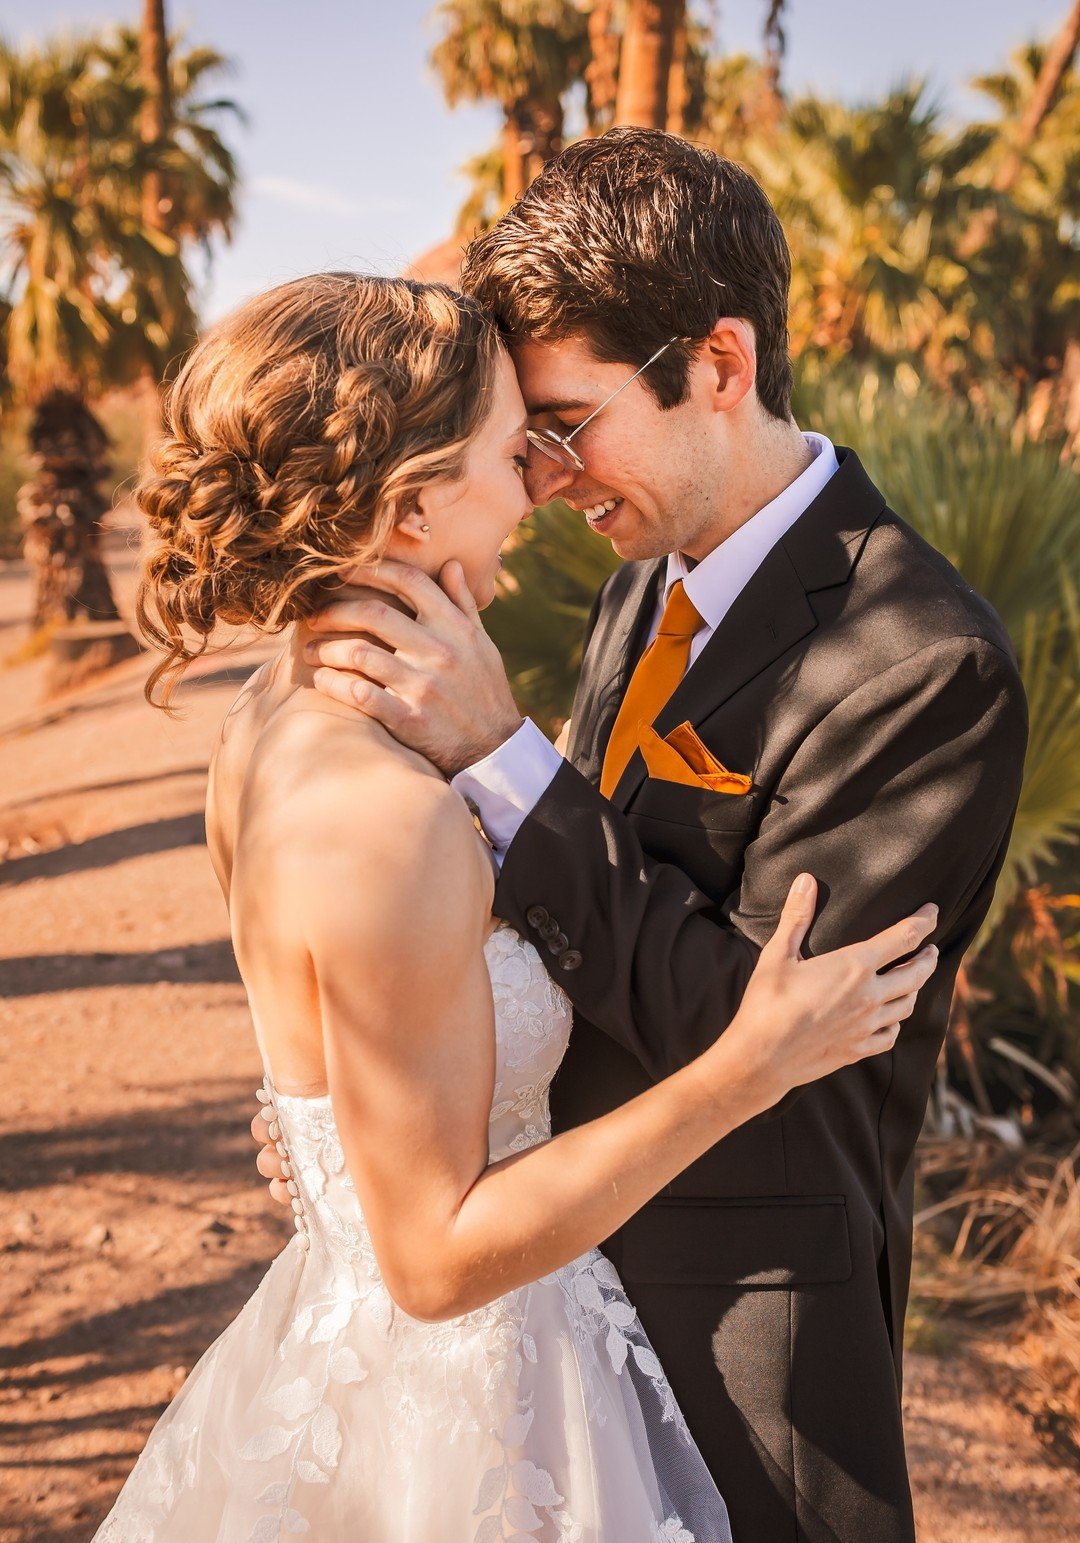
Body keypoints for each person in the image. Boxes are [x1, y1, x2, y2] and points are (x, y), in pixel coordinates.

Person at [266, 130, 1029, 1541]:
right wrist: (370, 1122)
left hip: (743, 1341)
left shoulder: (922, 665)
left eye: (569, 420)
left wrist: (504, 758)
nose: (548, 477)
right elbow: (556, 924)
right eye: (528, 439)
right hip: (546, 1300)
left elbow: (763, 1028)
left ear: (722, 366)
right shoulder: (646, 578)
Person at [94, 271, 939, 1543]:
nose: (541, 484)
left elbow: (351, 1053)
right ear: (413, 498)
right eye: (509, 449)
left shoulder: (270, 713)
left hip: (365, 1349)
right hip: (470, 1417)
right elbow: (434, 1259)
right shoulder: (398, 818)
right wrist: (748, 1066)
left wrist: (330, 1140)